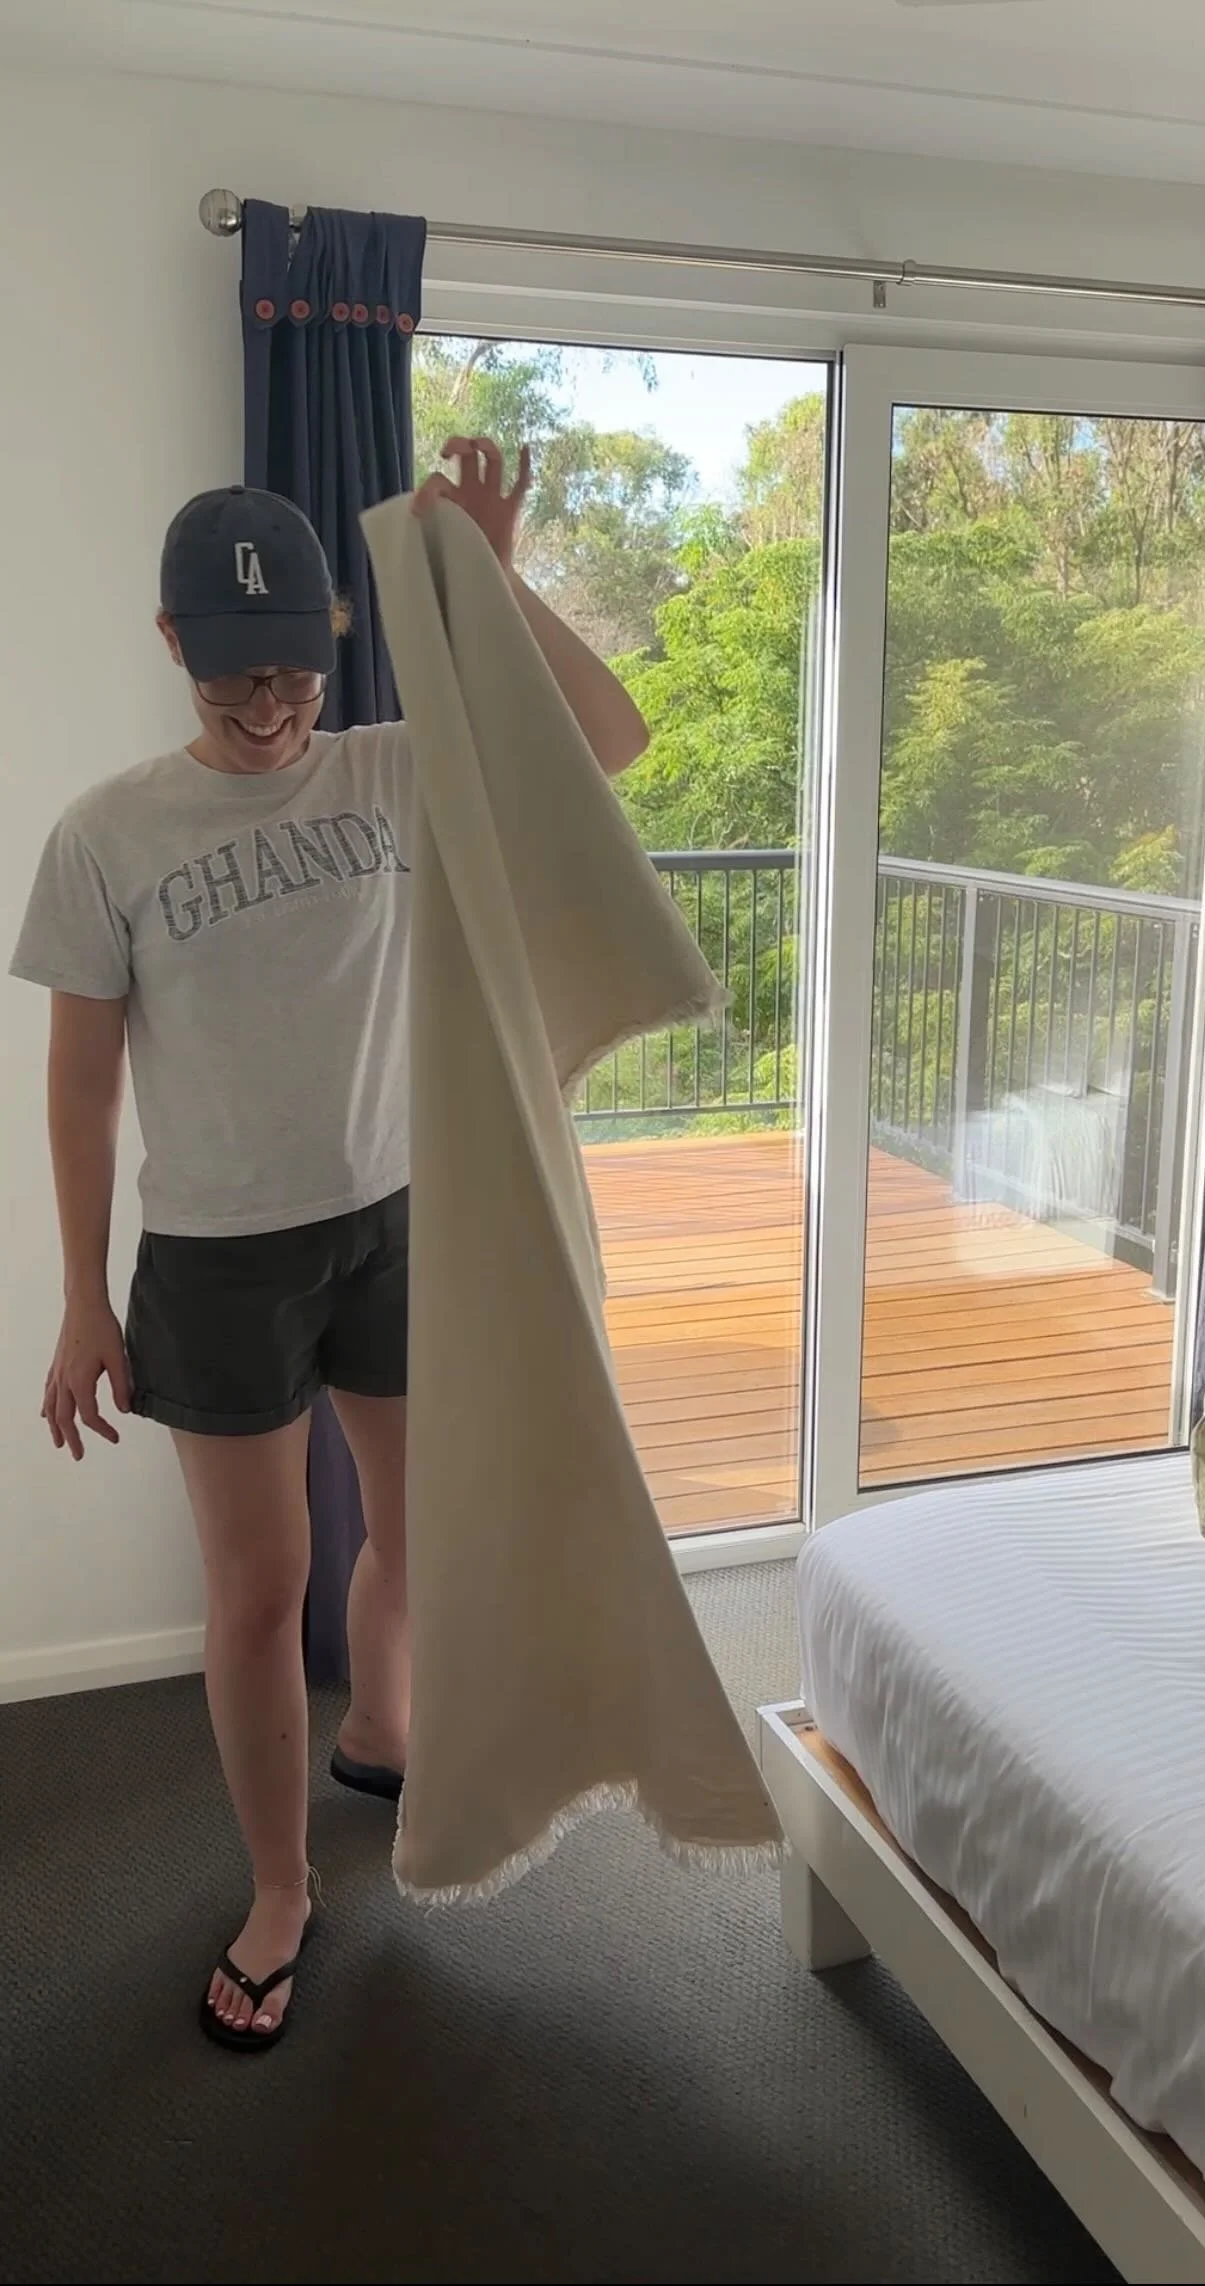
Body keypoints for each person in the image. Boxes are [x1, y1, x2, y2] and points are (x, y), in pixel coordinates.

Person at [10, 439, 648, 2049]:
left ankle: (384, 1727)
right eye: (236, 676)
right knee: (258, 1587)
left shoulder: (391, 772)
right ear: (173, 642)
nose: (272, 703)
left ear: (336, 639)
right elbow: (81, 1083)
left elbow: (610, 740)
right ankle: (282, 1887)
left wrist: (490, 575)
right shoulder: (107, 834)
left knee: (425, 1537)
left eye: (296, 667)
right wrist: (83, 1296)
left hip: (391, 1218)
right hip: (218, 1259)